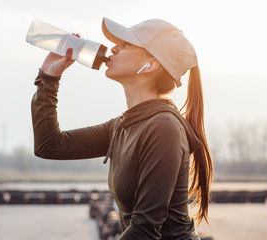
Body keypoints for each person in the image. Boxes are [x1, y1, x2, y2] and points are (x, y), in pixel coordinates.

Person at [31, 17, 213, 240]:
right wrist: (49, 77)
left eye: (126, 44)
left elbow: (145, 229)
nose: (113, 48)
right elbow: (49, 146)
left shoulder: (164, 128)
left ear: (151, 65)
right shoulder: (122, 126)